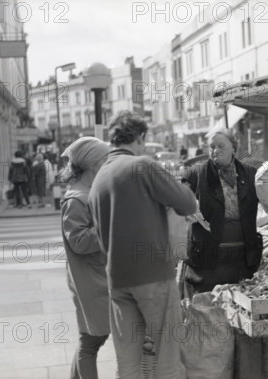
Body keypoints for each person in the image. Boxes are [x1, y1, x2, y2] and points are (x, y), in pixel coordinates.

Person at [88, 110, 197, 379]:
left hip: (117, 279)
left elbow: (100, 236)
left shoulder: (98, 179)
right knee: (167, 354)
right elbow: (186, 204)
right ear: (140, 137)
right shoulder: (143, 166)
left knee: (127, 361)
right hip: (152, 275)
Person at [179, 129, 268, 297]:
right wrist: (187, 206)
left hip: (242, 260)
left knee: (239, 306)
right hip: (207, 262)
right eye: (212, 146)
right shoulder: (196, 174)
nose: (215, 150)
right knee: (207, 308)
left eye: (221, 146)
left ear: (234, 147)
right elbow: (179, 201)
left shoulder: (251, 174)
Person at [60, 137, 111, 379]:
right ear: (93, 164)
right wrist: (108, 225)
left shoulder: (86, 192)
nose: (107, 164)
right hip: (89, 281)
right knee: (91, 341)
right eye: (104, 159)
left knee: (91, 338)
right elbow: (78, 241)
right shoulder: (76, 199)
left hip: (96, 276)